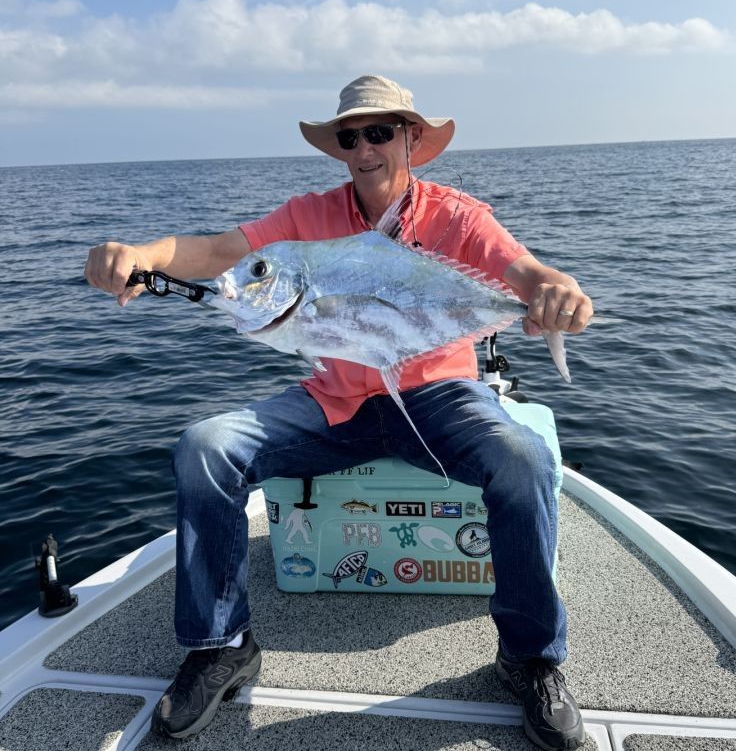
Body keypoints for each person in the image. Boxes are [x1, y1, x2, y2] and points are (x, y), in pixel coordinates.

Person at [84, 75, 593, 749]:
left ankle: (530, 660)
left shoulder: (457, 216)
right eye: (351, 136)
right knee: (206, 446)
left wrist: (558, 294)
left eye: (379, 132)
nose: (364, 148)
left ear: (411, 138)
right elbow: (217, 253)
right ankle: (221, 644)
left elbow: (524, 275)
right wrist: (141, 255)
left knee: (525, 459)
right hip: (336, 400)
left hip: (438, 396)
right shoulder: (306, 218)